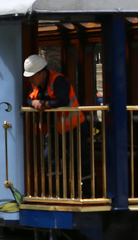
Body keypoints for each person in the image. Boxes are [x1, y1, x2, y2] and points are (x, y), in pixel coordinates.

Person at [23, 54, 90, 194]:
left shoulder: (58, 80)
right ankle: (57, 191)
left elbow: (62, 100)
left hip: (75, 126)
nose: (30, 79)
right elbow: (29, 99)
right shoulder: (37, 85)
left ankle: (87, 193)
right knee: (49, 158)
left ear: (42, 73)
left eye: (32, 76)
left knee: (80, 160)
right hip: (57, 130)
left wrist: (44, 104)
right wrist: (34, 103)